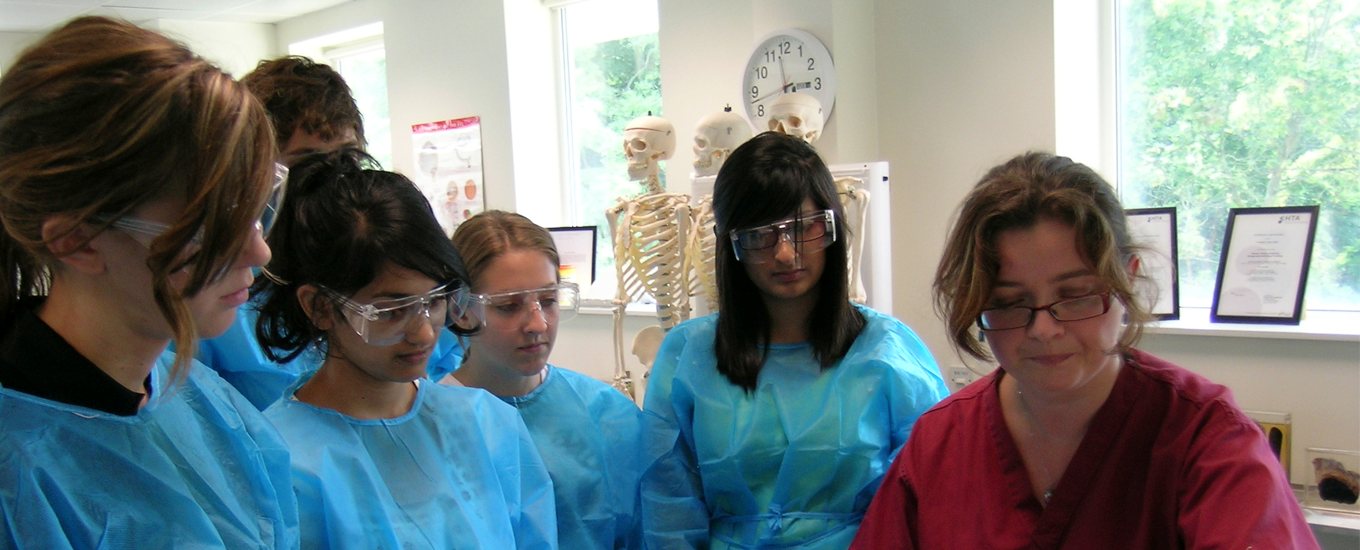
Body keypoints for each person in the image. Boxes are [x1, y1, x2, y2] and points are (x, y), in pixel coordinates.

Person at [852, 152, 1318, 548]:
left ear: (1127, 279)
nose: (1043, 329)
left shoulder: (1206, 440)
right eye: (1010, 304)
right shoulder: (941, 444)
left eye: (1075, 296)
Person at [0, 16, 297, 547]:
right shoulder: (20, 474)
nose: (259, 250)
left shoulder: (196, 397)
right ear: (78, 240)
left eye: (256, 212)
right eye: (211, 227)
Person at [640, 131, 950, 547]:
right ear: (731, 245)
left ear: (832, 228)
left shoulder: (890, 352)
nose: (785, 254)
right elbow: (669, 507)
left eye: (803, 228)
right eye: (761, 235)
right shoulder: (688, 356)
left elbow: (930, 496)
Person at [254, 149, 557, 548]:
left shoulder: (485, 426)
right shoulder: (277, 458)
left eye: (433, 302)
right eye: (391, 311)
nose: (423, 333)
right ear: (320, 307)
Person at [197, 55, 461, 409]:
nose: (335, 178)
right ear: (256, 171)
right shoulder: (224, 296)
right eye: (307, 163)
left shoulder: (406, 279)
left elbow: (443, 384)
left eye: (348, 158)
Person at [445, 210, 643, 548]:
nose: (538, 324)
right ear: (460, 309)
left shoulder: (605, 413)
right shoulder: (433, 424)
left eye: (549, 300)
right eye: (509, 306)